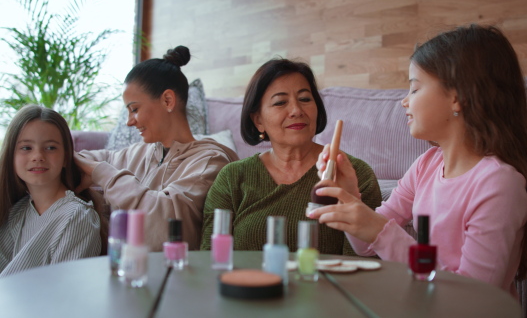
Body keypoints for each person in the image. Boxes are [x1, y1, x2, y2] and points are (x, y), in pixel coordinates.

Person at [309, 25, 527, 298]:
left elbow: (474, 296)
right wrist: (351, 196)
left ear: (457, 97)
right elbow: (366, 247)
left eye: (414, 89)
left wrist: (381, 230)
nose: (404, 101)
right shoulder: (426, 165)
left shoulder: (498, 183)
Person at [200, 58, 382, 255]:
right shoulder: (232, 177)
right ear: (258, 120)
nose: (296, 111)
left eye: (305, 99)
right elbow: (210, 260)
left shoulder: (354, 175)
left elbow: (362, 268)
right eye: (280, 102)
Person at [75, 46, 238, 251]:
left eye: (134, 109)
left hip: (176, 276)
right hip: (127, 271)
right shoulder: (138, 153)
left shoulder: (211, 161)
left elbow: (164, 226)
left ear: (167, 100)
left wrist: (102, 174)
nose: (129, 122)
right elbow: (79, 159)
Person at [0, 105, 102, 277]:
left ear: (66, 157)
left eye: (51, 148)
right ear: (11, 156)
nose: (38, 156)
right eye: (26, 148)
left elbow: (63, 294)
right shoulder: (16, 212)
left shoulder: (77, 217)